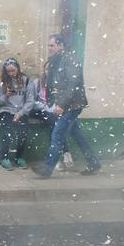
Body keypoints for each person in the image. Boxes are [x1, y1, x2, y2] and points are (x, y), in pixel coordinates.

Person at [31, 34, 101, 178]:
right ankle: (93, 162)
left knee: (57, 134)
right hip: (65, 104)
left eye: (52, 45)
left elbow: (72, 84)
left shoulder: (70, 59)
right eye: (48, 46)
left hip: (72, 105)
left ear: (61, 45)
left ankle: (47, 168)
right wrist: (52, 101)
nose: (49, 48)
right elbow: (55, 83)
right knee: (76, 134)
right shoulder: (57, 60)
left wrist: (61, 104)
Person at [28, 67, 74, 170]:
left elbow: (60, 100)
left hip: (52, 112)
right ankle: (65, 152)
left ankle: (58, 158)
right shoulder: (37, 82)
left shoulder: (58, 83)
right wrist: (45, 107)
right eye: (47, 68)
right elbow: (31, 101)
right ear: (44, 70)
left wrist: (54, 108)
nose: (49, 71)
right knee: (56, 124)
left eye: (52, 68)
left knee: (55, 126)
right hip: (38, 110)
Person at [0, 58, 34, 170]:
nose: (11, 73)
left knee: (23, 132)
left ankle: (19, 157)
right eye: (9, 71)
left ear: (18, 68)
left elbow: (30, 101)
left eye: (13, 70)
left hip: (21, 111)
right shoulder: (3, 82)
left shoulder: (26, 81)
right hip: (7, 110)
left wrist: (21, 113)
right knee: (7, 131)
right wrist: (5, 96)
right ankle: (4, 158)